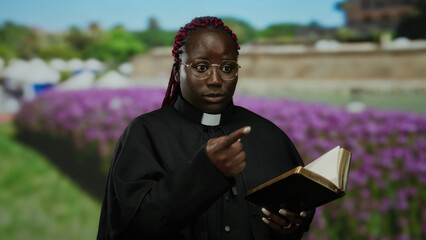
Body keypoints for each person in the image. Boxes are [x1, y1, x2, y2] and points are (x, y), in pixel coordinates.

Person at [97, 16, 314, 240]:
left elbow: (295, 209)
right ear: (176, 72)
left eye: (227, 67)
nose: (215, 79)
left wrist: (294, 224)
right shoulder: (145, 133)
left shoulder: (269, 135)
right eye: (201, 67)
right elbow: (130, 226)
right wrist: (206, 172)